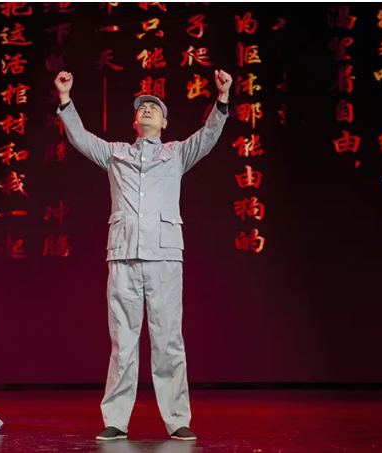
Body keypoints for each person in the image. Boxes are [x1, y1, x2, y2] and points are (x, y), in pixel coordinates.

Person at [54, 69, 232, 441]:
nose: (147, 110)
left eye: (154, 108)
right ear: (135, 121)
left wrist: (223, 98)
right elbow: (81, 138)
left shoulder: (176, 153)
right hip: (123, 255)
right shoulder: (115, 154)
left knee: (168, 340)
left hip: (164, 256)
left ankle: (177, 417)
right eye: (142, 108)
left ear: (164, 123)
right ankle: (116, 419)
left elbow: (208, 135)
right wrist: (66, 99)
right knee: (123, 341)